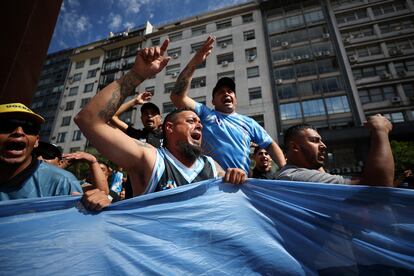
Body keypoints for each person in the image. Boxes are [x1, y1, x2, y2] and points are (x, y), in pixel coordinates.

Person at [74, 39, 247, 210]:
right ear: (169, 128)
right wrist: (137, 74)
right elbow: (89, 120)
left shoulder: (211, 165)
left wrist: (237, 176)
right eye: (191, 121)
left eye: (200, 122)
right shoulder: (150, 159)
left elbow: (237, 196)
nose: (200, 126)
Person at [170, 36, 286, 174]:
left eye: (230, 91)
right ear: (213, 101)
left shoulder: (249, 123)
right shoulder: (205, 114)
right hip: (212, 183)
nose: (226, 94)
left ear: (235, 99)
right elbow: (177, 97)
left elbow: (271, 145)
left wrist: (286, 171)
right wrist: (194, 63)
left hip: (242, 185)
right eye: (221, 92)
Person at [277, 115, 394, 186]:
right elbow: (377, 184)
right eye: (315, 140)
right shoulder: (293, 176)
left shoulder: (297, 174)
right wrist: (380, 130)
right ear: (295, 147)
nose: (323, 146)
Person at [0, 103, 83, 200]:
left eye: (29, 127)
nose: (19, 132)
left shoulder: (62, 183)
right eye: (7, 125)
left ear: (36, 141)